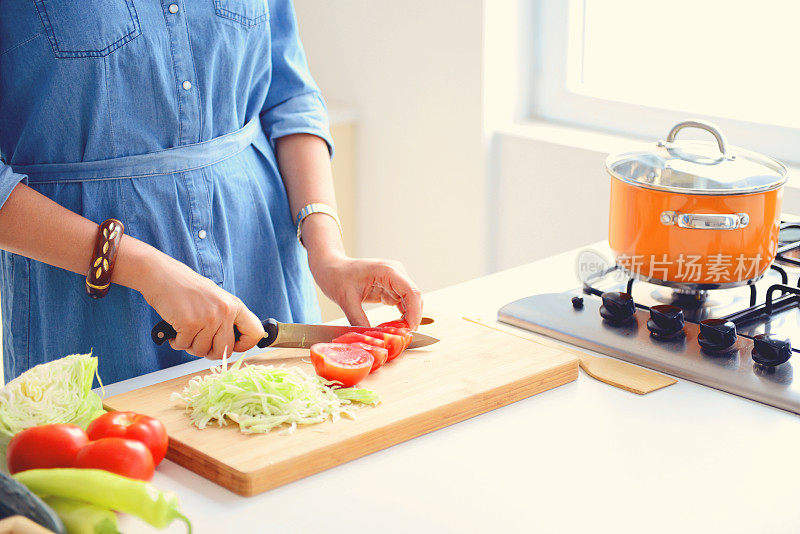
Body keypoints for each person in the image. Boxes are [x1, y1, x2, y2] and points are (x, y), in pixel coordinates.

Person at [0, 0, 422, 385]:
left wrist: (328, 253)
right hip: (91, 307)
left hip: (262, 268)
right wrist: (145, 269)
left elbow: (289, 98)